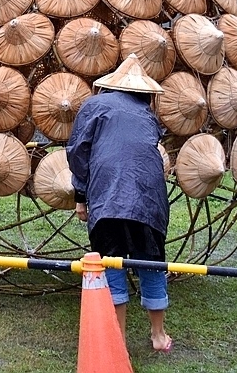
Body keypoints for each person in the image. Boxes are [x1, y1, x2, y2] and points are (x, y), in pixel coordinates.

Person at [66, 54, 172, 353]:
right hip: (149, 196)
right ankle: (158, 335)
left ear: (108, 86)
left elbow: (78, 153)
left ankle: (119, 340)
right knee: (150, 262)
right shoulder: (147, 113)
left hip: (107, 194)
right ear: (144, 92)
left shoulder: (93, 105)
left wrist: (80, 196)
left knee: (111, 262)